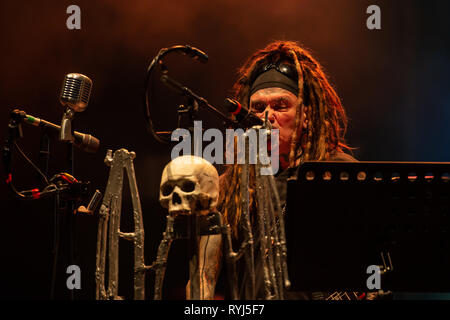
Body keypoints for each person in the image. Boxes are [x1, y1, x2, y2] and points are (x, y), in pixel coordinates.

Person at [187, 40, 356, 300]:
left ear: (307, 116)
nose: (266, 116)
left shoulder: (340, 173)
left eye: (280, 106)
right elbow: (202, 277)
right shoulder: (229, 186)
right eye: (257, 108)